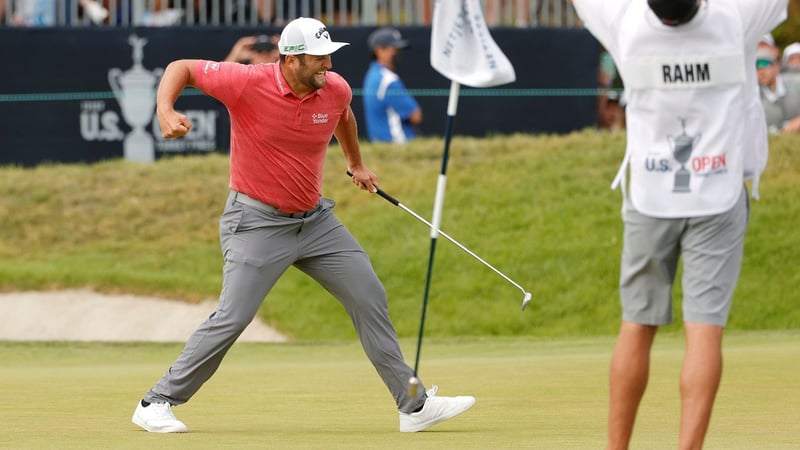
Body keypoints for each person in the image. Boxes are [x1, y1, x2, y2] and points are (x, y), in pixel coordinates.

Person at [130, 17, 475, 434]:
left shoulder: (335, 87)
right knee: (234, 317)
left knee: (369, 296)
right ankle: (156, 401)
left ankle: (413, 406)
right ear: (291, 59)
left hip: (316, 223)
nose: (327, 64)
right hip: (255, 222)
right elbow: (180, 68)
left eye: (330, 55)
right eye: (319, 57)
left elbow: (343, 116)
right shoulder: (246, 81)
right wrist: (165, 109)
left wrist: (356, 163)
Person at [567, 1, 787, 449]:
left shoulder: (624, 22)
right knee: (704, 330)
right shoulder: (734, 19)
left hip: (651, 196)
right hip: (718, 193)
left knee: (637, 326)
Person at [362, 27, 422, 144]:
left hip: (381, 145)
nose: (397, 53)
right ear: (379, 50)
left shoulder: (372, 75)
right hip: (399, 145)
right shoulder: (388, 80)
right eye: (394, 49)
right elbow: (416, 116)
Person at [757, 40, 800, 133]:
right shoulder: (754, 97)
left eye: (764, 64)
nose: (760, 71)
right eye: (756, 67)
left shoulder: (796, 83)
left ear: (776, 66)